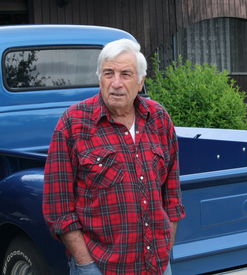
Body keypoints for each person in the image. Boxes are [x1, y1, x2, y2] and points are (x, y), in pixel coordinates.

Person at [43, 38, 185, 275]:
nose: (116, 83)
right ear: (100, 78)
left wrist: (164, 251)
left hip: (157, 266)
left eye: (125, 74)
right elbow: (58, 209)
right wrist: (86, 264)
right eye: (109, 73)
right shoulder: (73, 123)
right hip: (100, 268)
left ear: (140, 82)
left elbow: (172, 198)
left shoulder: (159, 119)